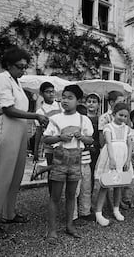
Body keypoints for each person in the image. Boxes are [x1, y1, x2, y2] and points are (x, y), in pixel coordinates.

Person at [0, 46, 49, 239]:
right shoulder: (2, 78)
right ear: (9, 65)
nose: (23, 70)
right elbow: (8, 109)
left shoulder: (16, 82)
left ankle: (8, 214)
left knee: (16, 175)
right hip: (8, 128)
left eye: (24, 67)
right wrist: (35, 115)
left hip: (20, 130)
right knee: (2, 176)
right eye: (20, 67)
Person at [43, 85, 93, 241]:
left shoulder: (83, 119)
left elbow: (90, 140)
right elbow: (46, 139)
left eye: (70, 97)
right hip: (59, 160)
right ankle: (52, 230)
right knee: (55, 196)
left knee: (72, 195)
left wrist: (82, 137)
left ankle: (70, 225)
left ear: (78, 101)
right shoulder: (56, 118)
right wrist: (59, 138)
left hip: (76, 161)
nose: (65, 100)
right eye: (63, 97)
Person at [94, 103, 133, 226]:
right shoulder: (108, 127)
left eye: (125, 116)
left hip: (123, 157)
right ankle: (98, 212)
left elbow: (130, 144)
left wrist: (128, 160)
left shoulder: (127, 129)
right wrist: (111, 159)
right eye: (120, 115)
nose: (123, 118)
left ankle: (116, 209)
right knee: (105, 184)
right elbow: (109, 143)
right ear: (114, 114)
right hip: (111, 156)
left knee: (119, 184)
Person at [30, 81, 63, 182]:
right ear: (41, 94)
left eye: (53, 91)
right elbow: (39, 131)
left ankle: (42, 170)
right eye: (48, 92)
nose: (51, 94)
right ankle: (52, 194)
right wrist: (35, 151)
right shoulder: (40, 111)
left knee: (62, 168)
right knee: (52, 173)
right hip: (49, 143)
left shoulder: (60, 106)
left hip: (63, 141)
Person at [73, 104, 94, 221]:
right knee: (74, 190)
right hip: (74, 163)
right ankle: (73, 215)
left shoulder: (87, 130)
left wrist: (82, 138)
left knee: (86, 188)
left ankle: (85, 211)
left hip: (86, 161)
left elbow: (90, 140)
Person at [85, 93, 101, 192]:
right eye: (89, 101)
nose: (91, 104)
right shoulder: (82, 117)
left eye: (94, 102)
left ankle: (89, 196)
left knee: (91, 172)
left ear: (98, 105)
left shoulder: (100, 119)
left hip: (94, 149)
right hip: (83, 148)